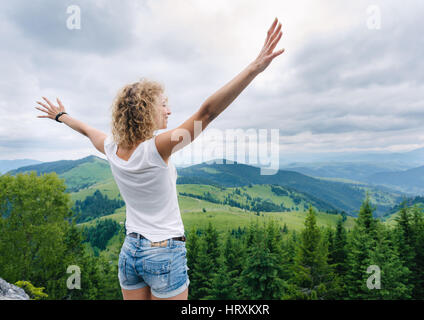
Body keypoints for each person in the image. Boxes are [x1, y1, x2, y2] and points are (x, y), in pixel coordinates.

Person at [35, 17, 284, 300]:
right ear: (145, 111)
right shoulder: (157, 148)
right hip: (164, 254)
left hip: (130, 252)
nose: (169, 110)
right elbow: (207, 114)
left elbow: (86, 130)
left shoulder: (111, 147)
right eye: (163, 105)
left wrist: (60, 116)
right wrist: (254, 68)